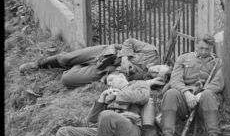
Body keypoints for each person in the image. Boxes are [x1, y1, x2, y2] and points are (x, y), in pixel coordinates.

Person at [55, 66, 170, 136]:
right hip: (106, 135)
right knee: (63, 132)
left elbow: (143, 96)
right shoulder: (109, 97)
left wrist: (118, 95)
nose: (110, 85)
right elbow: (91, 122)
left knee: (107, 115)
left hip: (129, 129)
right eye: (108, 84)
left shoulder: (138, 84)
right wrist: (101, 100)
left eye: (111, 80)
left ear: (121, 76)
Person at [155, 33, 224, 136]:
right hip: (184, 101)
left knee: (208, 95)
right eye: (201, 48)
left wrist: (201, 93)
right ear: (195, 45)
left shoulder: (217, 62)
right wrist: (186, 93)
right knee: (171, 93)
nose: (203, 51)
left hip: (204, 103)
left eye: (207, 49)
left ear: (211, 48)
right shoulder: (183, 58)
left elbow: (218, 83)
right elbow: (175, 80)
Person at [19, 37, 159, 88]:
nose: (155, 70)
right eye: (158, 68)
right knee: (65, 58)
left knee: (67, 79)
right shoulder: (152, 52)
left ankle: (78, 65)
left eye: (156, 73)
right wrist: (124, 58)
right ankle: (38, 64)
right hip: (106, 52)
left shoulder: (147, 78)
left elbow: (129, 85)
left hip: (104, 70)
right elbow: (130, 41)